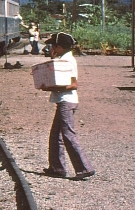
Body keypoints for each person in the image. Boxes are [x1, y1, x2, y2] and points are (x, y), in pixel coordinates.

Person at [39, 32, 96, 180]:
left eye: (53, 45)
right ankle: (57, 168)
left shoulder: (67, 61)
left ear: (59, 46)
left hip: (67, 101)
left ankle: (84, 168)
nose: (51, 48)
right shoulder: (63, 59)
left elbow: (73, 85)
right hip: (63, 101)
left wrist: (51, 88)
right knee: (55, 135)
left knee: (68, 134)